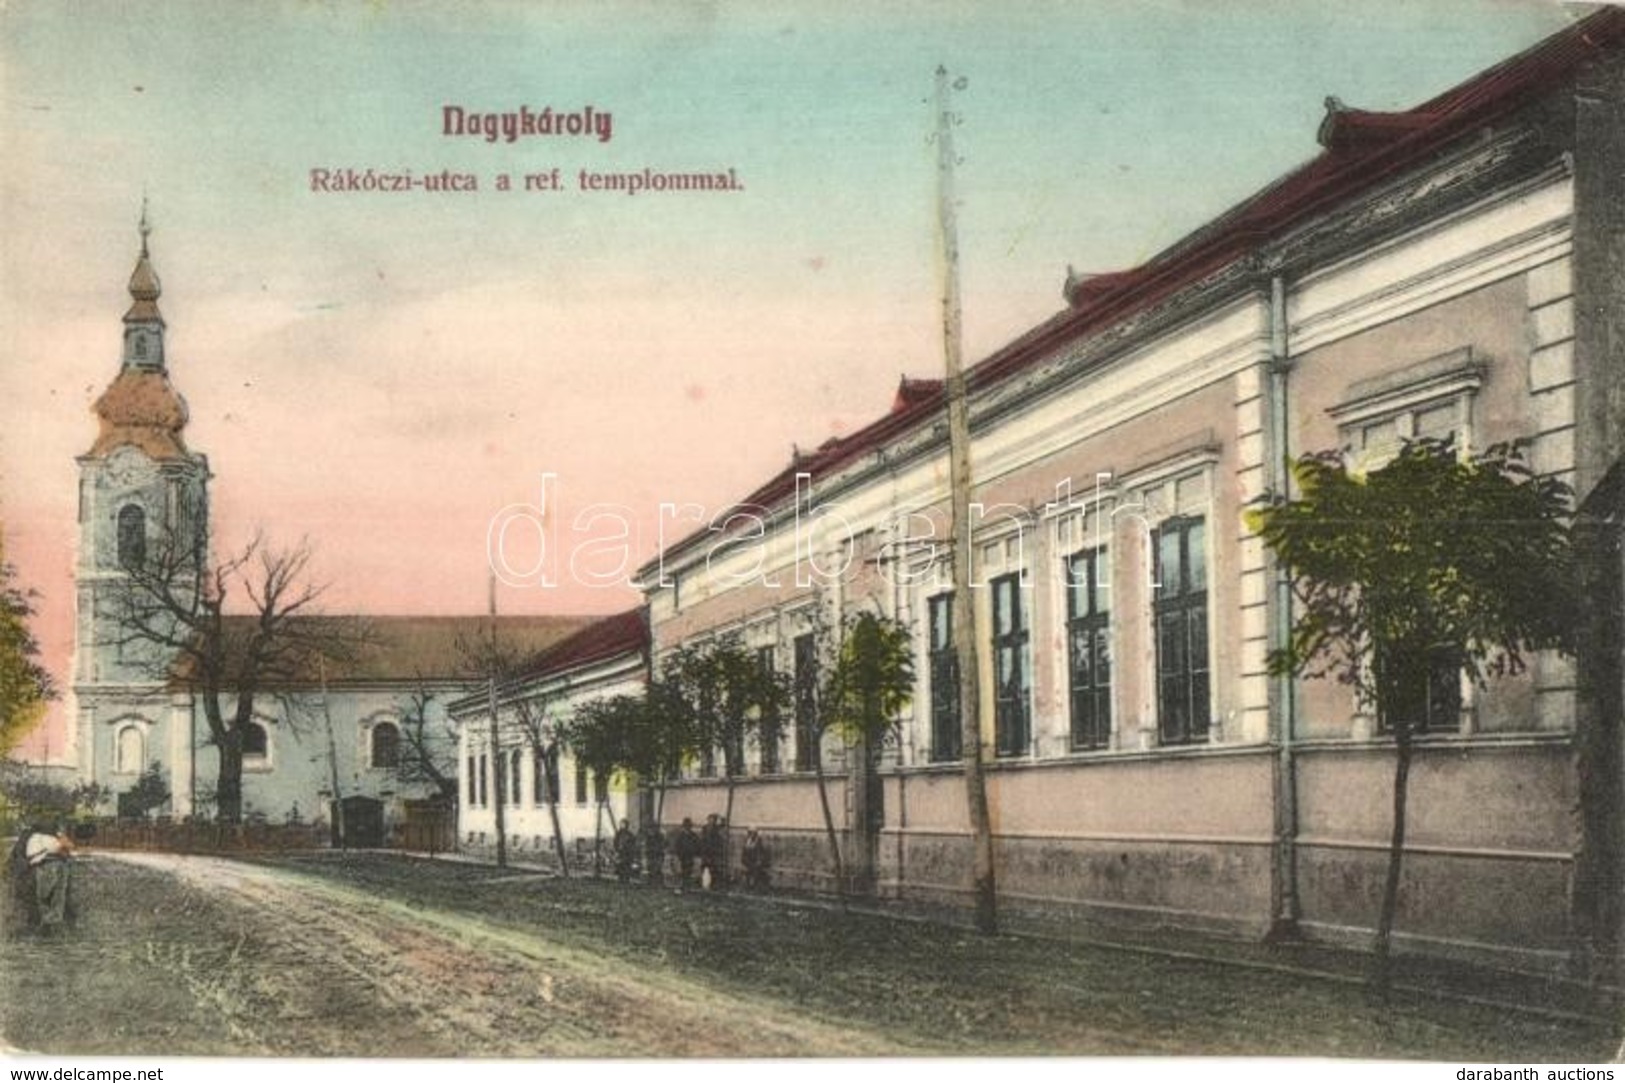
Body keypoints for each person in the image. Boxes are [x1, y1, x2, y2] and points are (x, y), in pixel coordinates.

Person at [24, 822, 74, 936]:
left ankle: (49, 924)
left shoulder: (39, 838)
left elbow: (67, 846)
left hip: (48, 865)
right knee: (54, 896)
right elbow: (65, 847)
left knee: (47, 896)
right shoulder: (41, 838)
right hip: (53, 864)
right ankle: (52, 924)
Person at [699, 813, 726, 891]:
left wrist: (721, 818)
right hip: (705, 852)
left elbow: (723, 824)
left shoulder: (716, 829)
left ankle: (712, 885)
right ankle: (704, 884)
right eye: (710, 819)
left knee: (712, 869)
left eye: (713, 820)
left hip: (712, 853)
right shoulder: (704, 828)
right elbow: (703, 840)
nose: (711, 821)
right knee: (704, 867)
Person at [672, 817, 700, 889]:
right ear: (684, 826)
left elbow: (697, 845)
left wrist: (695, 853)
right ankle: (684, 885)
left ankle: (687, 885)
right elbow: (677, 846)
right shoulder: (680, 835)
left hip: (690, 856)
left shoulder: (693, 835)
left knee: (689, 870)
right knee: (683, 870)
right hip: (683, 856)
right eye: (686, 826)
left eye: (689, 826)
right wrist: (678, 855)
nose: (687, 827)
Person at [611, 818, 638, 883]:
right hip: (620, 852)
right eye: (622, 824)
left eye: (624, 824)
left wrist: (630, 850)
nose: (623, 826)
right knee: (620, 865)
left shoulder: (630, 835)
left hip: (627, 853)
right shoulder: (618, 834)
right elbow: (615, 842)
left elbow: (632, 843)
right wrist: (616, 849)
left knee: (626, 866)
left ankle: (626, 878)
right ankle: (621, 878)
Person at [641, 820, 666, 887]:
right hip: (650, 855)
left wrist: (659, 850)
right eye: (650, 828)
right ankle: (650, 882)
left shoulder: (660, 836)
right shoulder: (648, 837)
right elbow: (645, 845)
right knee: (650, 869)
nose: (651, 830)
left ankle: (659, 883)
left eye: (653, 828)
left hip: (658, 855)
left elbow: (663, 845)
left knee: (657, 869)